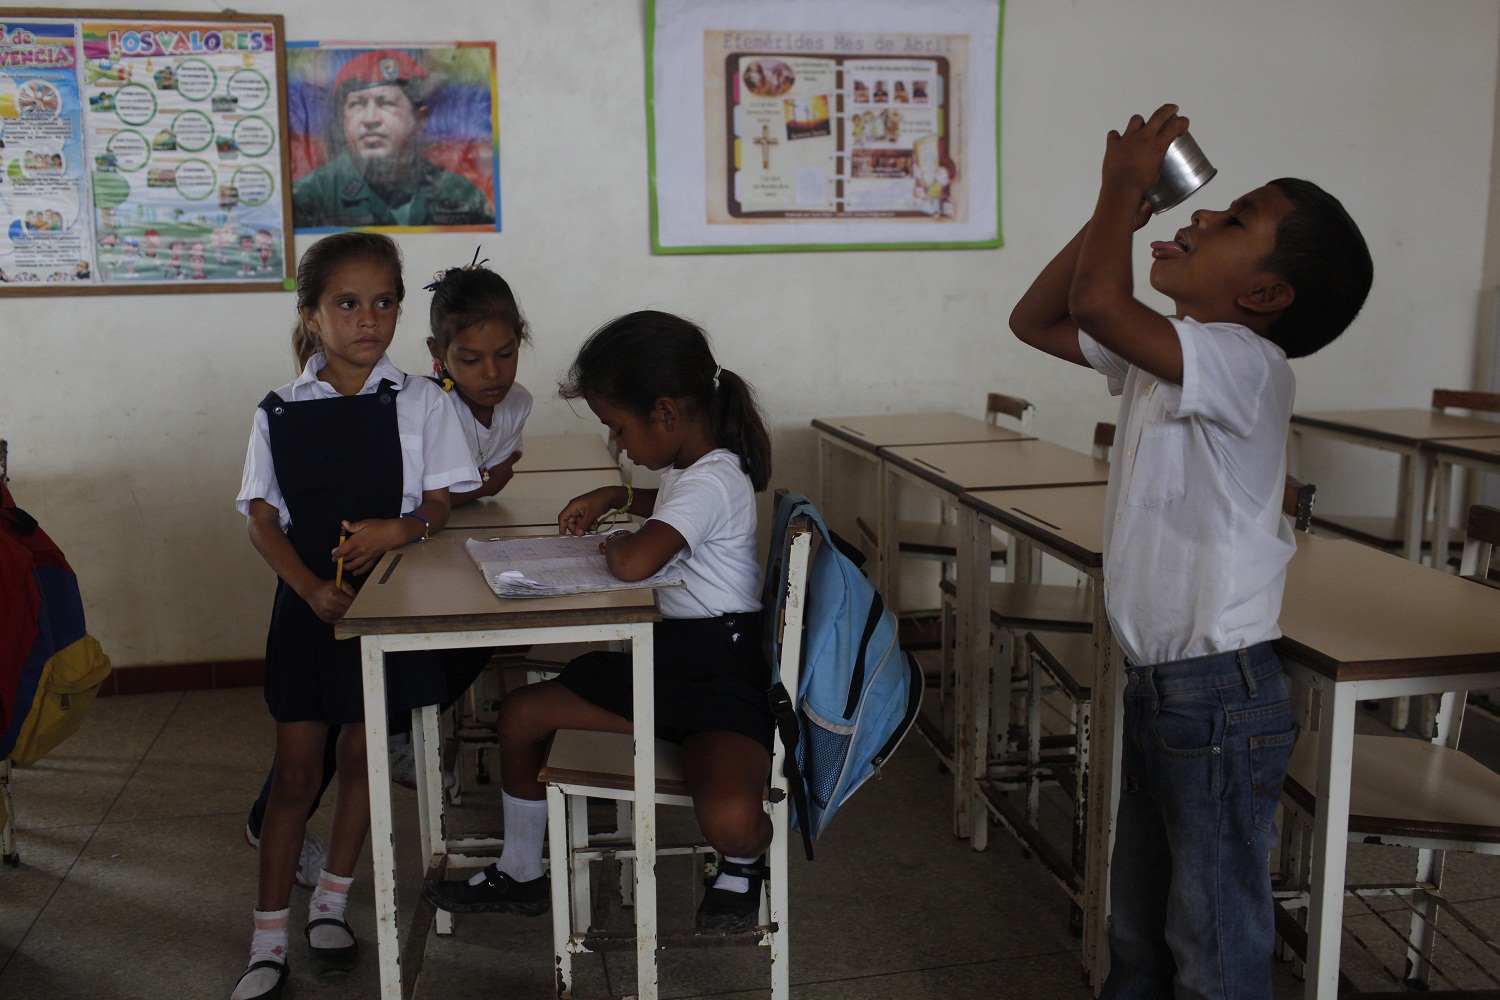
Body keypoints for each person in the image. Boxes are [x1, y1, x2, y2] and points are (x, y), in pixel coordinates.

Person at [1009, 104, 1372, 999]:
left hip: (1219, 695)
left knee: (1209, 942)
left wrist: (1120, 186)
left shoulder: (1246, 365)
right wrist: (1117, 217)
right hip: (1167, 687)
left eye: (1235, 218)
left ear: (1263, 296)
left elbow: (1098, 300)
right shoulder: (1164, 359)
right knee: (1143, 927)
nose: (1202, 216)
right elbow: (1036, 318)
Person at [423, 310, 776, 934]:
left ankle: (743, 865)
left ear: (665, 413)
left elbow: (637, 561)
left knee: (730, 820)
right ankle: (523, 868)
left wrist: (616, 540)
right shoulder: (696, 468)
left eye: (617, 427)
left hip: (720, 680)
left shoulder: (713, 478)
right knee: (524, 714)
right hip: (674, 667)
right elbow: (671, 503)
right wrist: (618, 497)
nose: (617, 444)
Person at [231, 232, 478, 1000]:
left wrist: (397, 530)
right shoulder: (279, 409)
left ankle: (332, 904)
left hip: (389, 607)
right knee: (298, 772)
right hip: (308, 608)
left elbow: (439, 504)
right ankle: (266, 940)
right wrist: (309, 588)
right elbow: (262, 520)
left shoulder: (423, 401)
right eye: (347, 303)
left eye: (383, 303)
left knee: (366, 761)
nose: (368, 319)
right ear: (311, 314)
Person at [292, 49, 493, 229]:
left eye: (386, 103)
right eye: (357, 105)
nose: (371, 119)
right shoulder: (307, 197)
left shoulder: (460, 194)